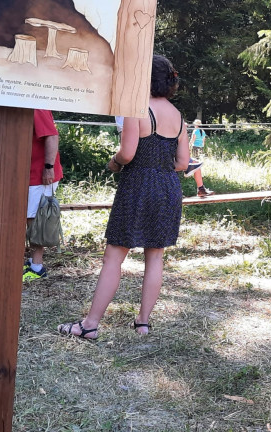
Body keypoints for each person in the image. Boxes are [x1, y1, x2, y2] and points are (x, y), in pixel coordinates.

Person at [57, 54, 189, 340]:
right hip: (167, 188)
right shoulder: (178, 117)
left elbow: (127, 154)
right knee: (155, 255)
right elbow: (182, 163)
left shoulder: (137, 110)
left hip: (138, 185)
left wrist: (114, 163)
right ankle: (143, 323)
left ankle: (90, 325)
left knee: (113, 257)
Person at [24, 109, 63, 282]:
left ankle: (37, 267)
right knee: (30, 218)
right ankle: (32, 262)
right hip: (31, 174)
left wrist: (48, 168)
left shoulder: (37, 106)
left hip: (40, 175)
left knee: (36, 220)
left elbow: (52, 136)